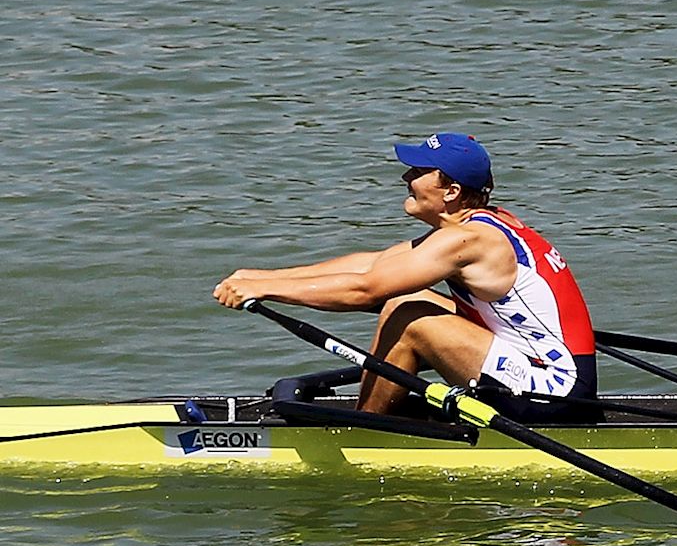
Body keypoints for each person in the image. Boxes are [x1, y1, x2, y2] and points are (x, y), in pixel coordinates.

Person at [213, 133, 599, 421]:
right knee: (406, 299)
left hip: (556, 392)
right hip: (541, 370)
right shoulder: (476, 225)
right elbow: (371, 265)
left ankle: (367, 431)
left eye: (418, 171)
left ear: (451, 191)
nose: (405, 176)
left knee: (410, 319)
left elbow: (365, 290)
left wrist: (266, 290)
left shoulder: (469, 239)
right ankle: (379, 412)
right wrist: (261, 277)